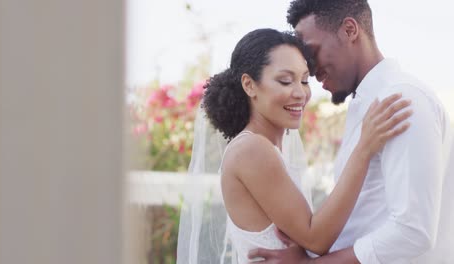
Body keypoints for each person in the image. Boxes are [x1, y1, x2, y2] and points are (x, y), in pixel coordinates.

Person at [176, 28, 412, 264]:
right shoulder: (251, 149)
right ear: (249, 85)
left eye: (305, 80)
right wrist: (364, 149)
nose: (300, 93)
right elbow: (316, 238)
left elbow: (309, 239)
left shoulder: (268, 148)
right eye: (285, 81)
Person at [248, 0, 454, 263]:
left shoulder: (400, 100)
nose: (309, 70)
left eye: (312, 52)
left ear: (349, 30)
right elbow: (366, 218)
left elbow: (413, 231)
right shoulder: (368, 105)